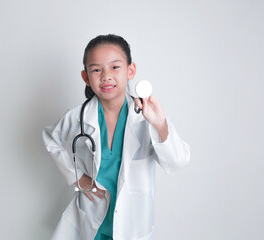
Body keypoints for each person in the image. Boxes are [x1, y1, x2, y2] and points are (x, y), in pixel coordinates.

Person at [42, 34, 190, 240]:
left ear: (131, 71)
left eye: (115, 67)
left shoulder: (146, 118)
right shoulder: (77, 117)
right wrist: (78, 178)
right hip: (92, 222)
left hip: (132, 225)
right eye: (96, 69)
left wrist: (159, 124)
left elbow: (177, 161)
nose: (106, 76)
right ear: (86, 77)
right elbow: (51, 140)